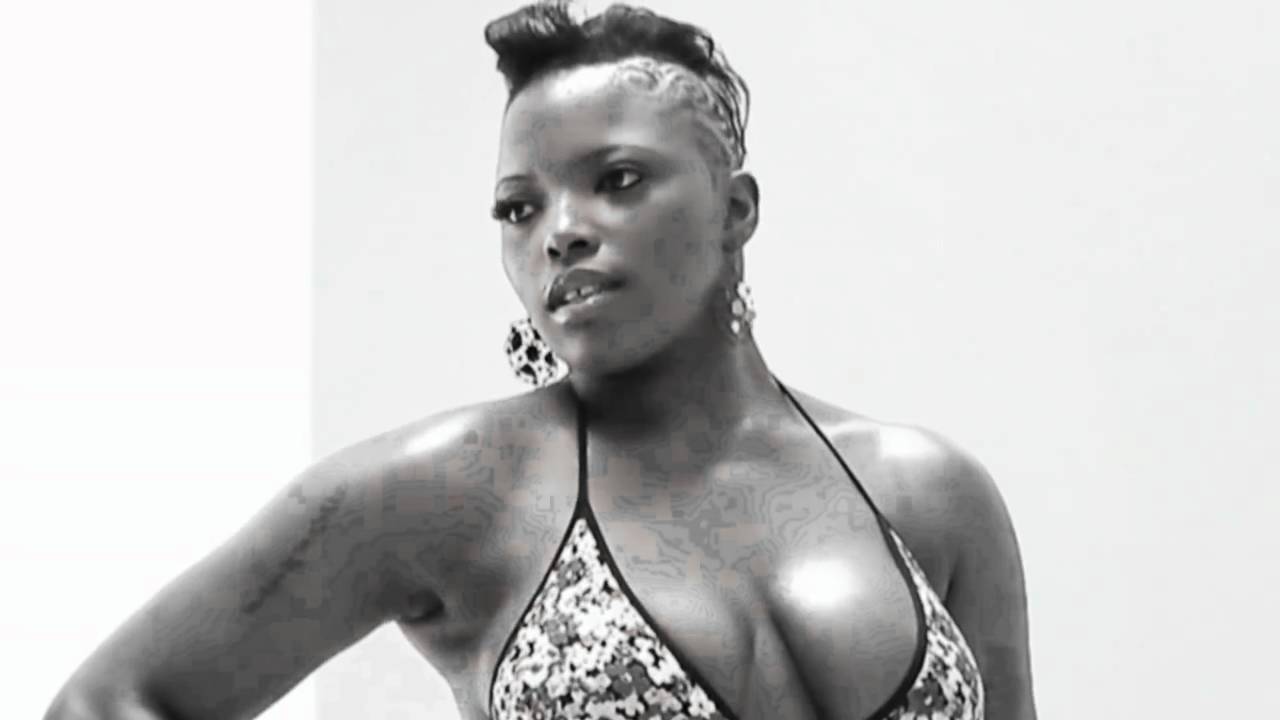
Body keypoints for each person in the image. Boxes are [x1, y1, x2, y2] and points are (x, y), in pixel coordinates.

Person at [44, 2, 1036, 719]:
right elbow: (111, 699)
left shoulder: (925, 492)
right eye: (518, 207)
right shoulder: (460, 489)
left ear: (736, 210)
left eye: (617, 180)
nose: (559, 232)